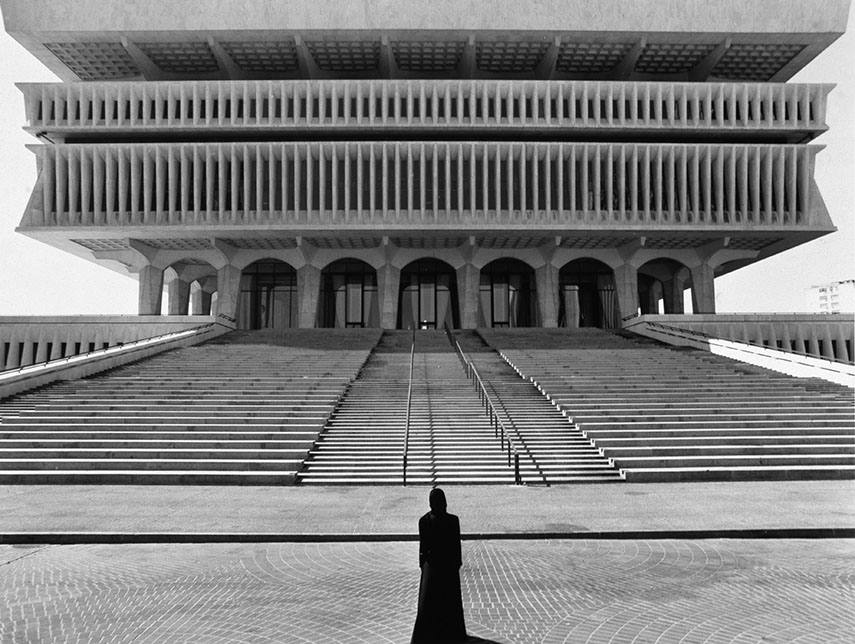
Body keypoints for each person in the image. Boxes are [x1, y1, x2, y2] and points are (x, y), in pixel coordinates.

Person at [411, 487, 467, 643]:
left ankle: (428, 633)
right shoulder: (453, 520)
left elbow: (423, 548)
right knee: (450, 602)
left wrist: (423, 566)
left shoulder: (424, 521)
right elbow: (456, 547)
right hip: (447, 566)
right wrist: (456, 564)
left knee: (428, 604)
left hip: (432, 566)